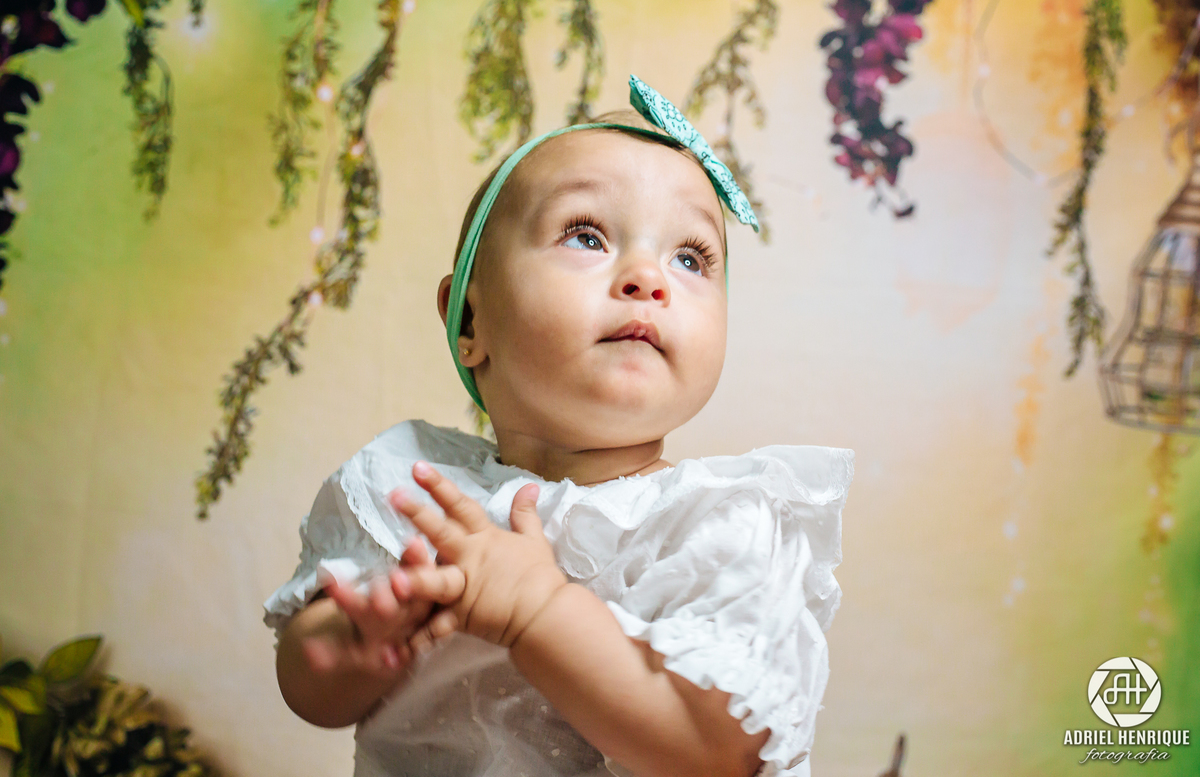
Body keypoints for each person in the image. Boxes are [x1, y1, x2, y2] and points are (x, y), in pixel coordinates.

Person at [264, 75, 853, 777]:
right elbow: (309, 689)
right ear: (470, 319)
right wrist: (355, 641)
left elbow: (717, 755)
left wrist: (537, 610)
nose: (648, 278)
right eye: (586, 235)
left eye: (689, 258)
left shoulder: (720, 529)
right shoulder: (414, 489)